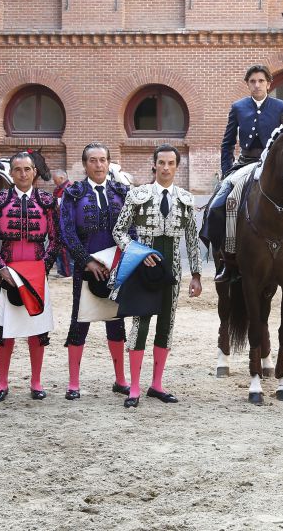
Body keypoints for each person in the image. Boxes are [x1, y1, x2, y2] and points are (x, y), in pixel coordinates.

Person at [112, 145, 203, 408]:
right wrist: (138, 252)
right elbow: (119, 232)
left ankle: (157, 384)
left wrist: (196, 275)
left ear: (177, 166)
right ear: (154, 165)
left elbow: (192, 240)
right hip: (144, 269)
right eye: (161, 163)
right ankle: (136, 387)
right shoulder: (137, 195)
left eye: (170, 163)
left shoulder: (186, 199)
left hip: (172, 271)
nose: (165, 168)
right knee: (140, 324)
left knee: (166, 324)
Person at [0, 152, 61, 401]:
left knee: (37, 330)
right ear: (11, 173)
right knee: (5, 330)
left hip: (36, 273)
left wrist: (43, 267)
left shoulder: (47, 201)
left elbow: (57, 239)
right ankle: (2, 383)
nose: (23, 174)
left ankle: (36, 383)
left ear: (34, 172)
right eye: (18, 169)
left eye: (27, 169)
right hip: (8, 273)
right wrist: (0, 268)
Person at [59, 143, 133, 399]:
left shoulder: (122, 191)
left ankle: (121, 380)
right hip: (86, 268)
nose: (98, 165)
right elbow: (67, 231)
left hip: (116, 265)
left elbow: (131, 230)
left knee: (116, 322)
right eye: (93, 160)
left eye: (102, 160)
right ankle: (73, 383)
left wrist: (122, 261)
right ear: (85, 164)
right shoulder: (74, 193)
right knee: (79, 323)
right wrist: (86, 261)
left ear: (109, 163)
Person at [206, 64, 283, 280]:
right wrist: (227, 171)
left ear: (269, 84)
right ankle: (225, 257)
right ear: (248, 84)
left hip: (273, 167)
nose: (257, 85)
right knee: (219, 202)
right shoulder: (238, 107)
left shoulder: (281, 107)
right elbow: (226, 143)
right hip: (244, 163)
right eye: (252, 81)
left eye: (261, 81)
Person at [52, 169, 74, 276]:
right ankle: (61, 271)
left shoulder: (70, 188)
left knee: (65, 249)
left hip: (67, 223)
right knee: (59, 248)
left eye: (55, 180)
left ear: (61, 178)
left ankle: (67, 273)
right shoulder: (58, 189)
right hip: (58, 222)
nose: (54, 182)